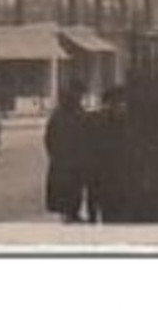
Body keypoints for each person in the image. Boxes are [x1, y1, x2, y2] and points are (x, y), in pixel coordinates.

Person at [43, 83, 90, 222]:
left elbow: (48, 138)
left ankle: (70, 212)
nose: (80, 97)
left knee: (72, 186)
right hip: (69, 159)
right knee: (70, 186)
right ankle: (69, 212)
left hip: (66, 159)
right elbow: (50, 137)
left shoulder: (63, 114)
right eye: (79, 94)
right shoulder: (72, 114)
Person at [86, 86, 130, 223]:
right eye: (120, 103)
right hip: (109, 172)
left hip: (102, 171)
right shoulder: (122, 120)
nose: (122, 106)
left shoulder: (93, 118)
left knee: (103, 204)